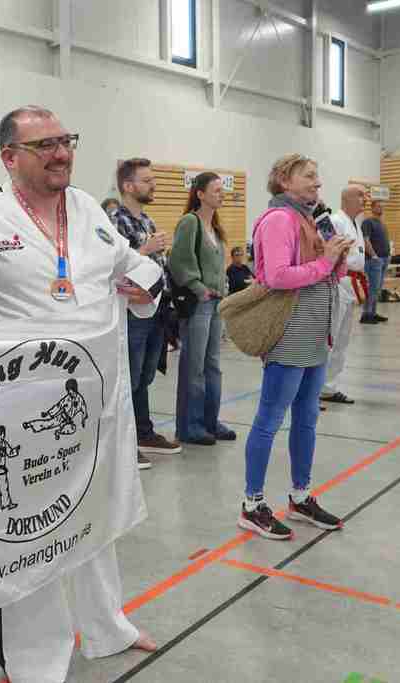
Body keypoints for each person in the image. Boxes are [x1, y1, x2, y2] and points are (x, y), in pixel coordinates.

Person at [0, 105, 158, 683]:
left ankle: (107, 626)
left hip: (95, 403)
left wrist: (144, 288)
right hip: (25, 412)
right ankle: (30, 658)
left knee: (94, 521)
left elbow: (135, 268)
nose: (60, 153)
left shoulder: (90, 210)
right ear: (8, 157)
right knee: (32, 535)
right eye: (43, 145)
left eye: (65, 141)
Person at [238, 154, 352, 541]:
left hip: (316, 333)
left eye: (318, 176)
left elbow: (330, 272)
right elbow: (276, 276)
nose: (317, 182)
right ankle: (252, 504)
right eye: (309, 176)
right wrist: (325, 262)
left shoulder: (313, 218)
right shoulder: (279, 220)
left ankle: (300, 496)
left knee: (306, 419)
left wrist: (337, 258)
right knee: (270, 419)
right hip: (290, 333)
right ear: (285, 181)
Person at [113, 157, 181, 468]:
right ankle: (125, 442)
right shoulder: (114, 222)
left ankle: (143, 431)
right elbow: (114, 264)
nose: (153, 185)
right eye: (147, 180)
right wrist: (145, 250)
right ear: (128, 186)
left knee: (145, 375)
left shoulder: (147, 221)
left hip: (156, 306)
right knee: (129, 377)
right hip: (132, 310)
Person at [168, 172, 236, 446]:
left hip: (217, 304)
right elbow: (178, 261)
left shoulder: (215, 228)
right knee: (194, 366)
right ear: (200, 194)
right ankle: (190, 426)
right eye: (216, 190)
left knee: (212, 366)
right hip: (199, 303)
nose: (222, 194)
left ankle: (210, 421)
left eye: (222, 190)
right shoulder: (190, 222)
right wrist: (199, 288)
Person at [320, 184, 368, 405]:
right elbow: (325, 252)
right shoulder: (335, 221)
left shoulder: (355, 223)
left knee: (342, 339)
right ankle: (316, 387)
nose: (364, 199)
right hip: (338, 282)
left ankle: (329, 387)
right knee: (331, 336)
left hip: (352, 283)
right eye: (360, 195)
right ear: (347, 198)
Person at [360, 200, 391, 324]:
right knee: (373, 288)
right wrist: (374, 256)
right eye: (378, 206)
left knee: (377, 288)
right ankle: (366, 314)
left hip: (384, 259)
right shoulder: (368, 222)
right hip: (374, 261)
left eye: (382, 206)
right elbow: (365, 240)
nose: (381, 208)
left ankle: (373, 313)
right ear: (372, 208)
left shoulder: (382, 223)